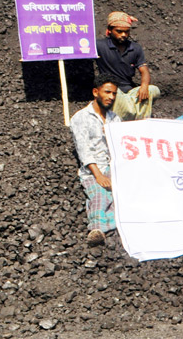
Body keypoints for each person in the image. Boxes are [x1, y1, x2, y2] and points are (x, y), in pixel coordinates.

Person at [69, 74, 121, 246]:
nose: (111, 97)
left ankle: (110, 227)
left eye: (114, 93)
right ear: (95, 92)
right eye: (107, 92)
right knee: (100, 193)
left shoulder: (115, 119)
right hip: (93, 168)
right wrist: (98, 175)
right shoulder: (81, 117)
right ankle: (97, 229)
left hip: (113, 165)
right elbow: (83, 149)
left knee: (118, 195)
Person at [95, 11, 160, 121]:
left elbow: (144, 71)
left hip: (130, 91)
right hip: (114, 90)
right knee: (116, 96)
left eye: (126, 32)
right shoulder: (100, 46)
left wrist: (144, 86)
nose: (123, 35)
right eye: (119, 31)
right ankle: (124, 119)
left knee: (153, 90)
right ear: (110, 30)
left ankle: (138, 120)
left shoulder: (135, 48)